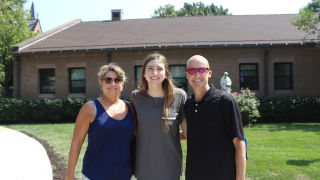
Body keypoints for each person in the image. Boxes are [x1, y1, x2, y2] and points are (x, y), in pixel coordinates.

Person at [66, 63, 134, 180]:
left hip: (123, 175)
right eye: (108, 80)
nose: (112, 84)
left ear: (122, 84)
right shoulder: (90, 108)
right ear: (101, 83)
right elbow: (76, 143)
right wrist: (69, 175)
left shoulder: (130, 108)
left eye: (117, 80)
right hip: (94, 175)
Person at [184, 55, 247, 180]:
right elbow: (192, 134)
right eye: (191, 71)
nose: (197, 75)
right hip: (194, 174)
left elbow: (239, 143)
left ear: (209, 73)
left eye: (201, 70)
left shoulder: (225, 101)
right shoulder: (188, 105)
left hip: (223, 174)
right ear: (187, 75)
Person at [130, 53, 187, 180]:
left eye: (159, 69)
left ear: (166, 74)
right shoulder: (135, 97)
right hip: (144, 168)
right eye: (150, 68)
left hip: (170, 168)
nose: (154, 73)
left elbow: (189, 133)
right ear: (144, 73)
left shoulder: (179, 96)